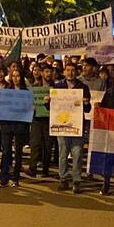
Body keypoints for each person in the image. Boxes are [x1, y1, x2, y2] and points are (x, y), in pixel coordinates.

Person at [47, 63, 91, 194]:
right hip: (62, 126)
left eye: (73, 70)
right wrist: (47, 102)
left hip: (77, 125)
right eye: (68, 70)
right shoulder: (58, 86)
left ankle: (77, 180)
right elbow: (51, 108)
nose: (70, 73)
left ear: (76, 72)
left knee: (77, 154)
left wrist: (87, 103)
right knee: (63, 153)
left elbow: (88, 109)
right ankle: (63, 178)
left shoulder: (83, 87)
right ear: (64, 72)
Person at [0, 68, 30, 187]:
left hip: (20, 124)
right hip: (7, 125)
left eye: (18, 76)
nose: (15, 78)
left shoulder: (26, 92)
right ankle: (4, 178)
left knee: (18, 152)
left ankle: (15, 178)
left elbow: (29, 108)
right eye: (13, 76)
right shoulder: (6, 91)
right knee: (6, 151)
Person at [27, 63, 55, 178]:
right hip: (37, 118)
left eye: (50, 72)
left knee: (47, 145)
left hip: (49, 119)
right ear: (42, 73)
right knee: (35, 144)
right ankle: (32, 168)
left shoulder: (56, 88)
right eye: (46, 71)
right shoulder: (34, 87)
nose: (48, 74)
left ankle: (45, 169)